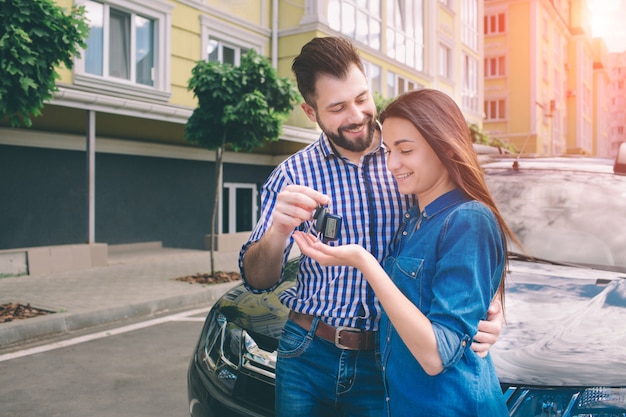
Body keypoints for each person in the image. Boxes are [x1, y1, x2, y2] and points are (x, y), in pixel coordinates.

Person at [239, 37, 504, 417]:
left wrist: (486, 310)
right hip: (308, 351)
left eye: (362, 97)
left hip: (388, 360)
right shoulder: (291, 175)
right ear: (310, 111)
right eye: (337, 107)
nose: (358, 114)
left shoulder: (411, 158)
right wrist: (277, 233)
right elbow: (258, 279)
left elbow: (458, 240)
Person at [294, 88, 517, 416]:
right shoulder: (413, 217)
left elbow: (436, 356)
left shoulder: (468, 219)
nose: (392, 164)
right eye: (387, 151)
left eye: (406, 150)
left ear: (444, 148)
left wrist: (363, 262)